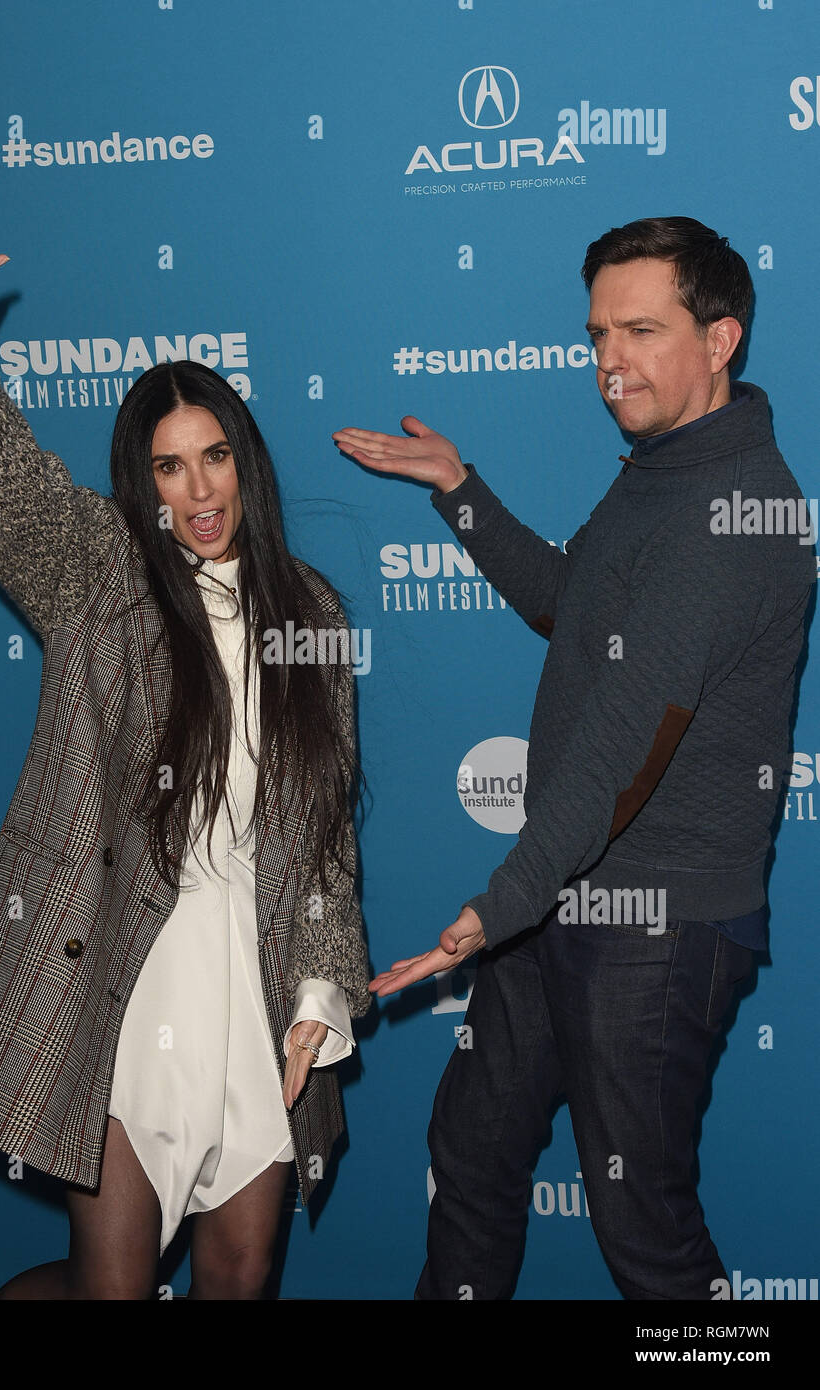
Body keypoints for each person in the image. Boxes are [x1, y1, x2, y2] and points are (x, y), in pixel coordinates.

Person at [0, 187, 370, 1300]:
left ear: (245, 460)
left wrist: (317, 993)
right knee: (112, 1290)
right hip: (127, 976)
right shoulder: (101, 575)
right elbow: (10, 496)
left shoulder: (314, 614)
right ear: (140, 484)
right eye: (166, 467)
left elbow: (322, 835)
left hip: (251, 984)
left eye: (214, 458)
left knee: (237, 1280)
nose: (197, 490)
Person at [334, 217, 814, 1300]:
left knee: (643, 1228)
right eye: (598, 331)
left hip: (654, 927)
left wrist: (495, 905)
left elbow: (623, 749)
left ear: (721, 336)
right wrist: (459, 489)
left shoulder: (732, 509)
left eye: (641, 330)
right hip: (563, 894)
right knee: (471, 1153)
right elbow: (573, 606)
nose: (609, 359)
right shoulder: (667, 466)